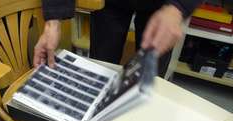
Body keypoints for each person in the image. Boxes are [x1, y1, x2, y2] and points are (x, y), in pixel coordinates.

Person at [34, 0, 203, 77]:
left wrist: (178, 7)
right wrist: (53, 20)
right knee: (99, 68)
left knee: (149, 75)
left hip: (163, 5)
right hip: (109, 4)